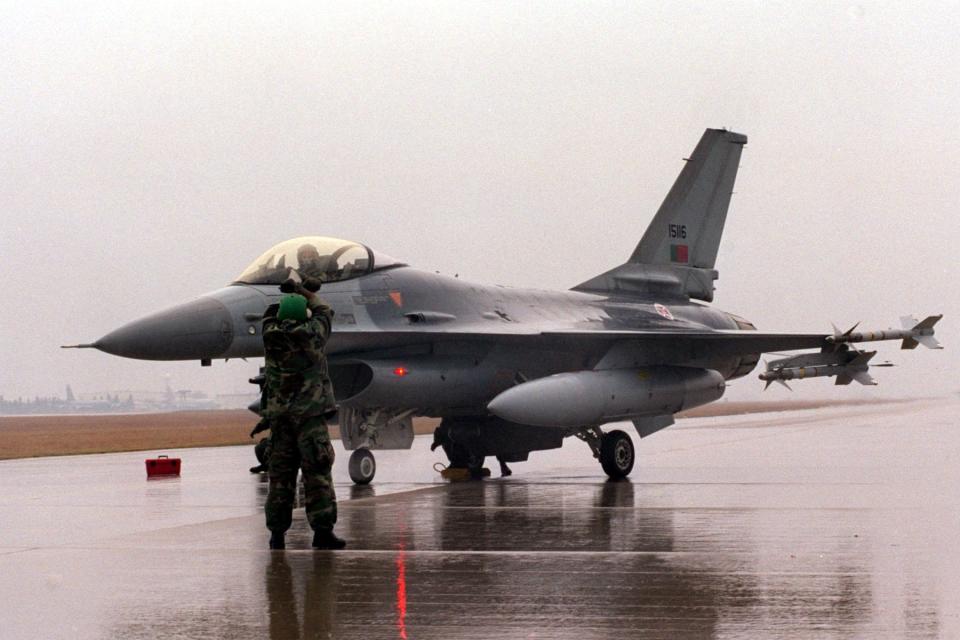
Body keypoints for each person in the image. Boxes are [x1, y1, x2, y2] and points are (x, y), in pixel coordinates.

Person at [261, 284, 345, 550]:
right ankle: (322, 533)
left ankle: (276, 536)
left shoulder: (270, 336)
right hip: (309, 420)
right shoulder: (311, 336)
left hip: (281, 422)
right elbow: (324, 311)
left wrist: (285, 301)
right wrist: (304, 292)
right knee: (317, 476)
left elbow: (269, 315)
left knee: (280, 479)